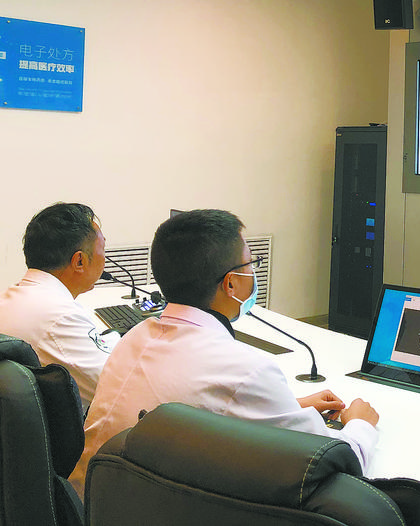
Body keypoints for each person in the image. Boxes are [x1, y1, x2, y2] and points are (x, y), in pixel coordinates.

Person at [70, 209, 379, 496]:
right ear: (231, 284)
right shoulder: (247, 370)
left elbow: (198, 407)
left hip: (96, 502)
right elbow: (335, 463)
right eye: (251, 264)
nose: (253, 273)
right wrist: (360, 423)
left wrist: (288, 407)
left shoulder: (135, 337)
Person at [0, 202, 116, 409]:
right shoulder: (60, 317)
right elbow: (116, 388)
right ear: (79, 261)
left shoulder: (14, 296)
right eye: (103, 248)